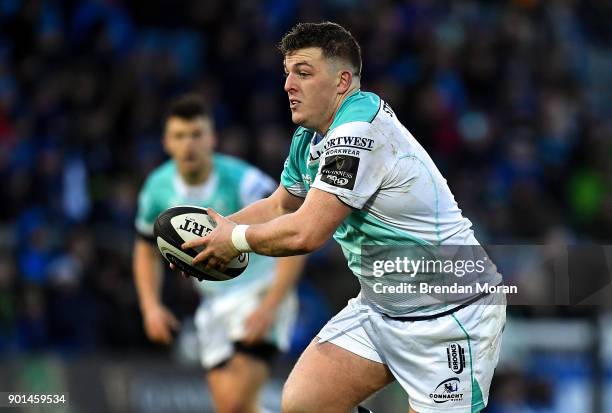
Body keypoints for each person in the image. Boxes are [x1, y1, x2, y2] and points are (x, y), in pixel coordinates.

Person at [182, 22, 506, 413]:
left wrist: (234, 241)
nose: (288, 85)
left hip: (452, 314)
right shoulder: (312, 135)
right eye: (287, 73)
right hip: (382, 307)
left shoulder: (358, 133)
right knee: (305, 405)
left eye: (303, 73)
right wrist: (213, 232)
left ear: (342, 81)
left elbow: (307, 232)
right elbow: (282, 204)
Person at [133, 94, 305, 413]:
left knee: (237, 402)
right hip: (213, 303)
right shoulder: (157, 189)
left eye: (197, 135)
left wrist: (271, 304)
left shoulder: (244, 181)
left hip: (259, 291)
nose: (189, 145)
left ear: (212, 139)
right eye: (180, 136)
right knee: (233, 408)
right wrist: (150, 306)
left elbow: (294, 230)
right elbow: (144, 249)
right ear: (166, 143)